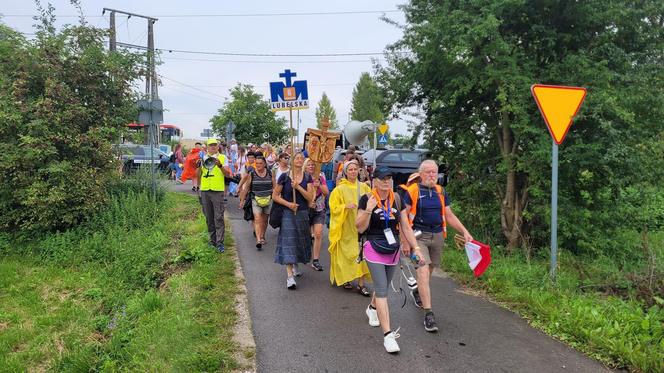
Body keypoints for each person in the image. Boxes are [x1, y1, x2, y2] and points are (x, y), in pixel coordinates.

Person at [356, 166, 423, 353]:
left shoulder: (397, 199)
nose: (386, 182)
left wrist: (415, 247)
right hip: (373, 246)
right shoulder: (366, 199)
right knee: (382, 290)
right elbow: (359, 228)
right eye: (382, 178)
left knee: (383, 286)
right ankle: (388, 335)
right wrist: (368, 210)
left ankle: (371, 308)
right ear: (374, 181)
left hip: (392, 249)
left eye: (389, 178)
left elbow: (405, 226)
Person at [403, 160, 473, 332]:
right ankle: (429, 314)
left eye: (434, 172)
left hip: (438, 236)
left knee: (430, 269)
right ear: (420, 174)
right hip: (418, 238)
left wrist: (464, 231)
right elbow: (403, 218)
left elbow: (449, 215)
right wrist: (405, 240)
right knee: (423, 270)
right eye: (428, 172)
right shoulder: (412, 191)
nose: (432, 175)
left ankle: (418, 292)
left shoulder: (441, 192)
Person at [328, 160, 372, 295]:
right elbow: (333, 208)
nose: (353, 172)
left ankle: (361, 284)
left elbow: (372, 201)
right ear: (345, 172)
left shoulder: (364, 187)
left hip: (361, 227)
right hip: (346, 227)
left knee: (363, 253)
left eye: (355, 169)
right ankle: (346, 278)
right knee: (348, 254)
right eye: (350, 170)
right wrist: (344, 207)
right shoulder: (339, 189)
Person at [272, 152, 315, 289]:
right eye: (297, 158)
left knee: (300, 240)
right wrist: (289, 204)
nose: (299, 160)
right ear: (291, 161)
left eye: (301, 158)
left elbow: (310, 197)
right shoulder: (284, 177)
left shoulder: (308, 177)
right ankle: (290, 277)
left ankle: (295, 263)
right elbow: (275, 196)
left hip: (302, 213)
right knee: (289, 241)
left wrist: (298, 187)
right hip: (288, 213)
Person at [199, 138, 232, 253]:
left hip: (217, 191)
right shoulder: (202, 157)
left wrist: (220, 166)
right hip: (205, 190)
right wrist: (199, 189)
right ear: (207, 147)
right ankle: (212, 241)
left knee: (218, 217)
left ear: (218, 147)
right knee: (209, 217)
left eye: (215, 145)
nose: (213, 147)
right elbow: (199, 175)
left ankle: (220, 242)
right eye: (210, 145)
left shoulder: (223, 158)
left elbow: (228, 174)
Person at [239, 155, 273, 250]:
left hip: (268, 199)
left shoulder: (270, 173)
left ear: (265, 164)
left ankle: (262, 236)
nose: (258, 165)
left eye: (260, 163)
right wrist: (242, 200)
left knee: (265, 220)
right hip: (255, 199)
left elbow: (275, 186)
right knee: (257, 218)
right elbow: (246, 188)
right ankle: (258, 240)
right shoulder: (252, 174)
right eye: (256, 163)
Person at [304, 158, 329, 271]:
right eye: (309, 165)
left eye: (313, 165)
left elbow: (326, 192)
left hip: (319, 208)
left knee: (318, 234)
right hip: (305, 208)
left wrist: (319, 185)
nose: (311, 167)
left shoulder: (320, 176)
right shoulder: (302, 177)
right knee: (305, 235)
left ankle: (316, 260)